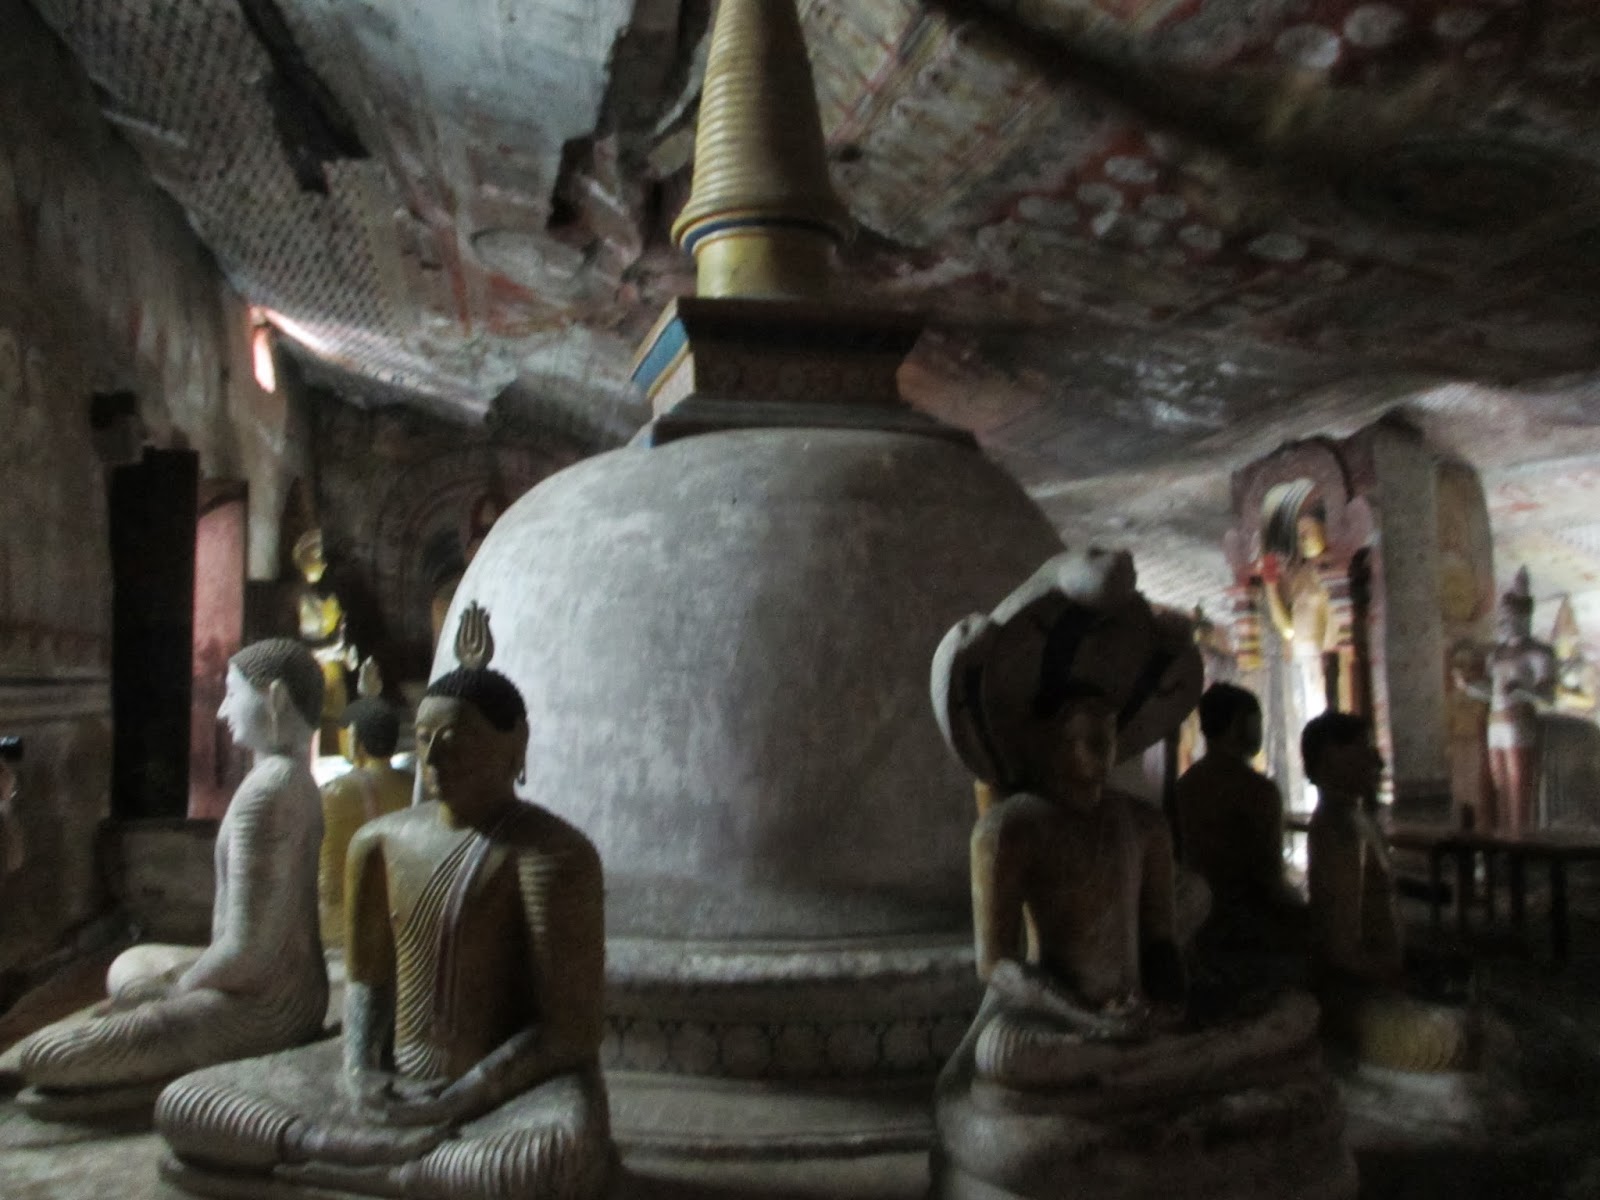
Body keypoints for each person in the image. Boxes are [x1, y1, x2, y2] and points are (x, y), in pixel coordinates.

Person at [156, 605, 613, 1200]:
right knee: (187, 1103)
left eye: (455, 741)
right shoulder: (381, 842)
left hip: (502, 1090)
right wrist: (358, 1070)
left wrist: (463, 1095)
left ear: (514, 744)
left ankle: (368, 1168)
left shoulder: (551, 853)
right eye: (423, 740)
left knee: (533, 1162)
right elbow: (368, 987)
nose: (434, 759)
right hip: (388, 1079)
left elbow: (570, 1031)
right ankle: (367, 1160)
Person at [16, 640, 328, 1117]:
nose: (222, 710)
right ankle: (154, 1035)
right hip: (288, 988)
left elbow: (247, 953)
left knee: (44, 1056)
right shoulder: (294, 779)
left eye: (232, 694)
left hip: (264, 1008)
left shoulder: (269, 793)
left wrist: (177, 992)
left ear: (275, 698)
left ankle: (163, 1053)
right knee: (132, 962)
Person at [1303, 712, 1474, 1071]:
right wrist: (1404, 982)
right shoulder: (1339, 830)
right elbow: (1340, 949)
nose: (1377, 761)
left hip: (1374, 983)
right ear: (1332, 758)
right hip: (1360, 996)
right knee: (1466, 1040)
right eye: (1365, 749)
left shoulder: (1354, 819)